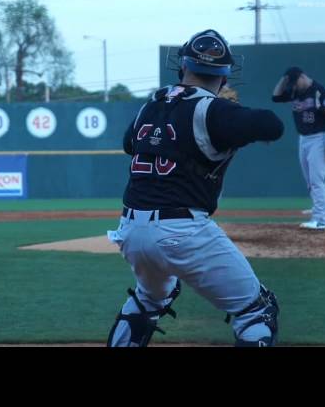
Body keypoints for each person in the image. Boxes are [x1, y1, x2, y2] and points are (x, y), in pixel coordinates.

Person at [106, 29, 284, 347]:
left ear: (182, 68)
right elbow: (273, 125)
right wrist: (228, 113)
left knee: (148, 301)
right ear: (225, 77)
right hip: (182, 230)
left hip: (131, 230)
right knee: (257, 312)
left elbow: (128, 144)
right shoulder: (213, 110)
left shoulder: (149, 106)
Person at [272, 67, 325, 230]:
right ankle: (318, 208)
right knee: (309, 179)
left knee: (317, 179)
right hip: (303, 138)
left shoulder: (320, 91)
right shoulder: (296, 91)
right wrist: (285, 78)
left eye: (295, 83)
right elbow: (275, 97)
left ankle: (321, 219)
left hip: (319, 137)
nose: (293, 88)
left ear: (302, 77)